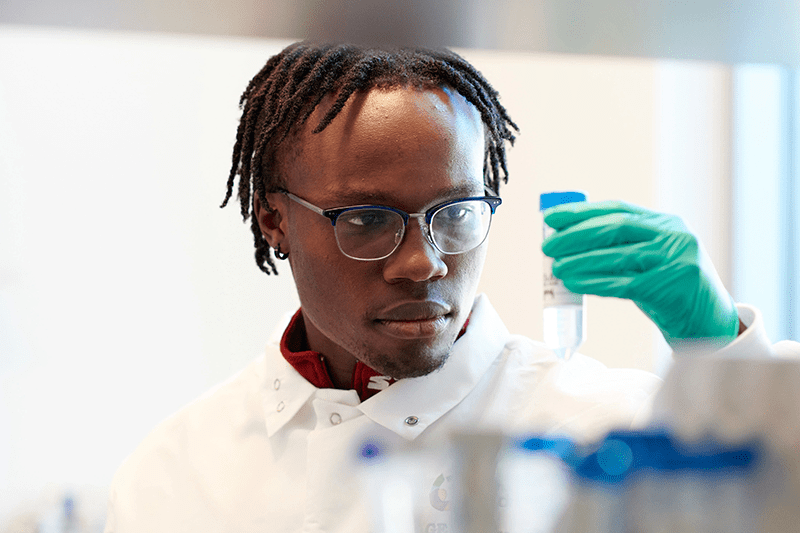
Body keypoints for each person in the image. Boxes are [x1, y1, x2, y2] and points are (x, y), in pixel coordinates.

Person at [103, 42, 794, 533]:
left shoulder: (605, 434)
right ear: (275, 220)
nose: (422, 263)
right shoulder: (176, 472)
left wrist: (724, 349)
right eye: (368, 219)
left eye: (455, 215)